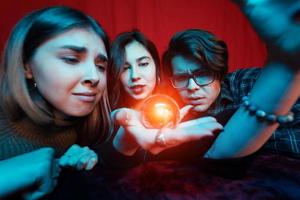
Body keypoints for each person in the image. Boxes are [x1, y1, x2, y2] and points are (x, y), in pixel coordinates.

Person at [102, 0, 300, 170]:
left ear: (219, 72)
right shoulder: (172, 113)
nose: (192, 86)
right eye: (181, 78)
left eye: (202, 75)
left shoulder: (244, 82)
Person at [0, 6, 111, 199]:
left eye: (101, 66)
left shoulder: (78, 131)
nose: (94, 77)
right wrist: (9, 174)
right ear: (27, 66)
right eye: (71, 59)